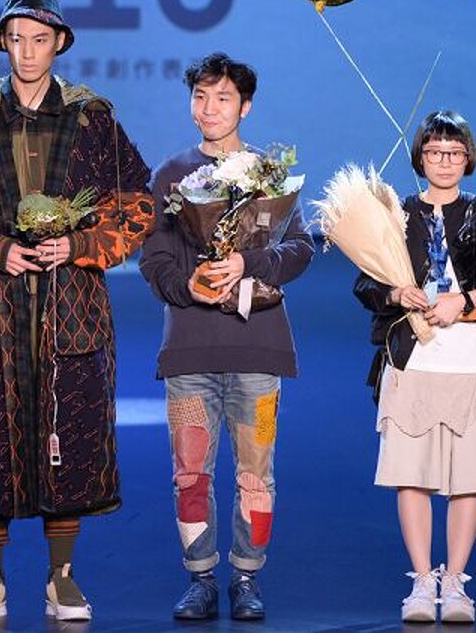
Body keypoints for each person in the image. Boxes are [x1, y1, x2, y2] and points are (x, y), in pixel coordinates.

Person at [0, 0, 154, 623]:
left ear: (60, 43)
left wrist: (81, 244)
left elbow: (136, 201)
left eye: (39, 39)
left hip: (71, 304)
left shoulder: (92, 118)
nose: (27, 52)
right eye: (16, 39)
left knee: (70, 430)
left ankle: (61, 576)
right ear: (3, 44)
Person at [138, 52, 313, 621]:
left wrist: (248, 262)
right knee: (190, 474)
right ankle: (200, 578)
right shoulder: (170, 176)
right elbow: (154, 260)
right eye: (200, 96)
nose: (209, 108)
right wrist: (187, 285)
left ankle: (246, 576)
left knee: (256, 473)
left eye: (222, 97)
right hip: (189, 354)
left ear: (245, 106)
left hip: (259, 353)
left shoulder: (270, 175)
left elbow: (301, 249)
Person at [354, 111, 476, 623]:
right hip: (414, 361)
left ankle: (455, 584)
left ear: (467, 157)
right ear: (421, 157)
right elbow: (364, 284)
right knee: (412, 475)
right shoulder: (398, 213)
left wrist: (465, 299)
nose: (445, 161)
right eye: (434, 152)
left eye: (454, 152)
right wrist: (395, 292)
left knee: (468, 478)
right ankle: (421, 580)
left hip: (473, 362)